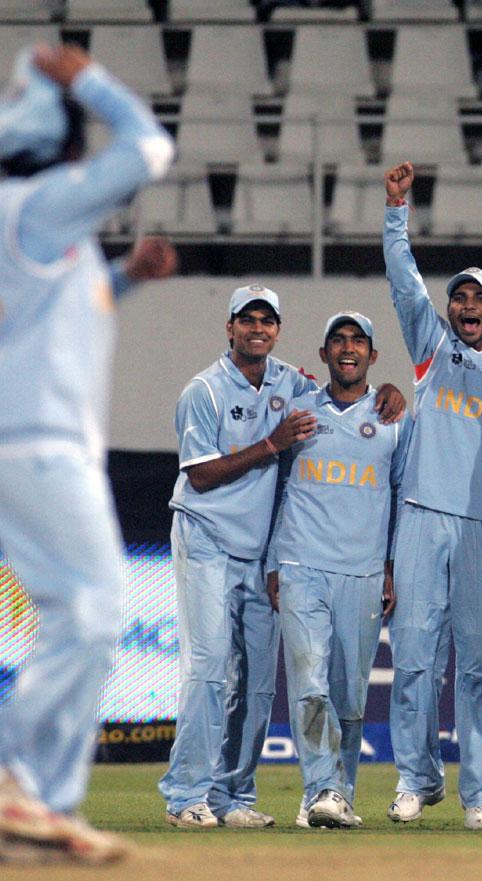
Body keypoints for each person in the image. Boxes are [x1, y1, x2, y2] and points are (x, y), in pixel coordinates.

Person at [0, 42, 175, 864]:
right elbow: (150, 147)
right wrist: (94, 83)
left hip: (19, 432)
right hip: (36, 434)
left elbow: (73, 303)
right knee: (97, 604)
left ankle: (38, 809)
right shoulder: (44, 203)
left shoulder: (28, 217)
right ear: (72, 148)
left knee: (82, 616)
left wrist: (129, 275)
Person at [158, 285, 403, 829]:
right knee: (210, 668)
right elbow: (198, 475)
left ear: (277, 331)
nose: (258, 330)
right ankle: (185, 795)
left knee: (260, 684)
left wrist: (387, 389)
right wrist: (271, 444)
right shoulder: (204, 390)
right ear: (230, 328)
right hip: (206, 538)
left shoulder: (289, 384)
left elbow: (345, 384)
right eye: (248, 321)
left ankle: (231, 797)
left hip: (257, 552)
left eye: (267, 322)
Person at [382, 162, 482, 830]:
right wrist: (396, 209)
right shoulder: (431, 348)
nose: (466, 306)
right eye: (459, 297)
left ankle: (481, 791)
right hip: (420, 517)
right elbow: (403, 280)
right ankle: (416, 779)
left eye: (479, 298)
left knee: (480, 666)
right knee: (412, 656)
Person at [266, 312, 412, 831]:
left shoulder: (394, 420)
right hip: (303, 564)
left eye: (358, 341)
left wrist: (393, 566)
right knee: (309, 684)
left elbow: (402, 497)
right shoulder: (297, 412)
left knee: (349, 697)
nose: (347, 348)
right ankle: (321, 787)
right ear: (324, 354)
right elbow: (274, 488)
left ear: (372, 356)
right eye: (338, 340)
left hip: (365, 570)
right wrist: (272, 561)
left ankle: (336, 796)